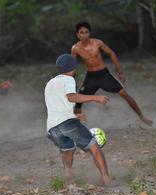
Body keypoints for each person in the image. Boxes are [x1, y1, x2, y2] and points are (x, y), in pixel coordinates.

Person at [44, 54, 111, 186]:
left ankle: (68, 177)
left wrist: (75, 115)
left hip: (53, 127)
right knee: (94, 147)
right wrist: (95, 98)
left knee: (67, 150)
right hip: (66, 123)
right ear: (74, 67)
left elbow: (58, 104)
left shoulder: (50, 83)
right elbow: (71, 97)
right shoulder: (69, 79)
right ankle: (107, 180)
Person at [71, 21, 153, 126]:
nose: (84, 35)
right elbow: (72, 65)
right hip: (91, 77)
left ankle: (142, 117)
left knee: (124, 94)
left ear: (89, 33)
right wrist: (70, 80)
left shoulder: (97, 43)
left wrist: (120, 72)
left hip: (103, 74)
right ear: (77, 35)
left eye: (86, 32)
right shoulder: (75, 48)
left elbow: (111, 53)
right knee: (78, 102)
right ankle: (76, 126)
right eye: (81, 32)